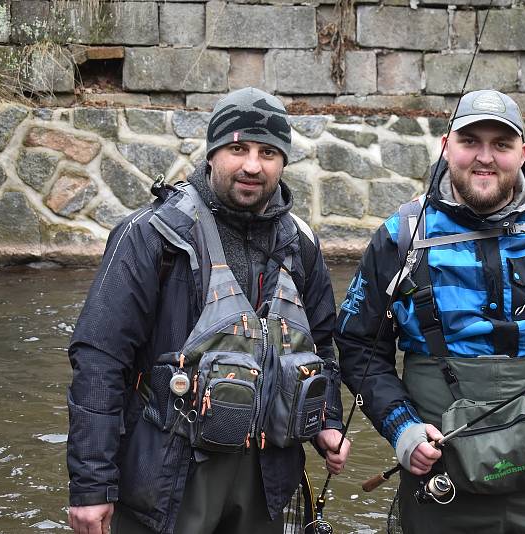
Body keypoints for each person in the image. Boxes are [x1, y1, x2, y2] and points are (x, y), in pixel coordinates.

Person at [335, 89, 525, 533]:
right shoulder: (400, 235)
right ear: (446, 146)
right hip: (440, 476)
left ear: (523, 152)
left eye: (500, 144)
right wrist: (401, 427)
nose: (485, 157)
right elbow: (358, 344)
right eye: (470, 141)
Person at [66, 87, 350, 534]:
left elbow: (322, 345)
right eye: (238, 148)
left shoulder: (303, 243)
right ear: (213, 153)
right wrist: (91, 485)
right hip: (167, 479)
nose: (252, 165)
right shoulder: (149, 235)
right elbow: (99, 360)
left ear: (284, 161)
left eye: (268, 152)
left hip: (268, 478)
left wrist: (326, 422)